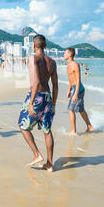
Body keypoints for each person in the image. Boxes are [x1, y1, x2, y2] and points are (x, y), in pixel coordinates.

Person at [18, 35, 58, 172]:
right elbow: (55, 86)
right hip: (48, 97)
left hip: (36, 97)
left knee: (23, 126)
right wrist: (54, 103)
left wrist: (30, 104)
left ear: (33, 46)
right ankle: (50, 164)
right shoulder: (52, 62)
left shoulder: (33, 58)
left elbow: (35, 82)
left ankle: (36, 154)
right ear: (45, 46)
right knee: (47, 131)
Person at [65, 48, 95, 134]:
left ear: (70, 54)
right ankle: (90, 126)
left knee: (70, 109)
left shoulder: (75, 65)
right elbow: (71, 79)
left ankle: (73, 131)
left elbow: (78, 80)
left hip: (78, 89)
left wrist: (75, 94)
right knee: (81, 110)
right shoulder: (68, 65)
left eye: (65, 53)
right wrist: (69, 90)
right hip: (74, 88)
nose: (64, 54)